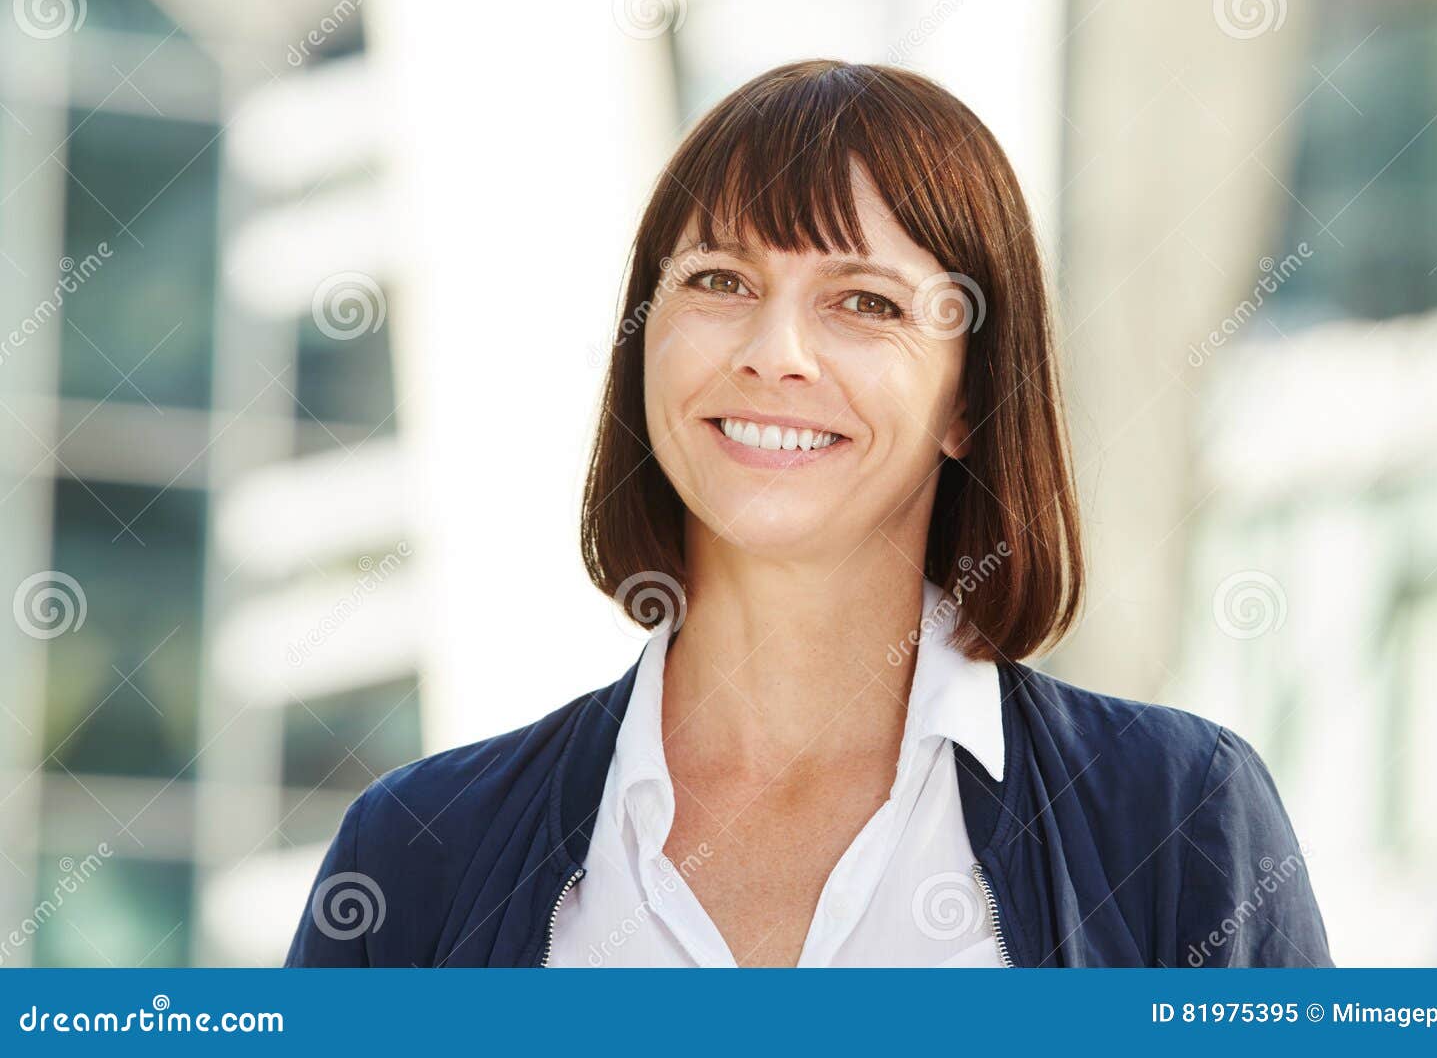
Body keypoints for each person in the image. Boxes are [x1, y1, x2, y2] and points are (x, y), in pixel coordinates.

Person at [285, 59, 1332, 968]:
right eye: (719, 280)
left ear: (969, 396)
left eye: (864, 301)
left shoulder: (1177, 816)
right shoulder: (416, 851)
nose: (774, 349)